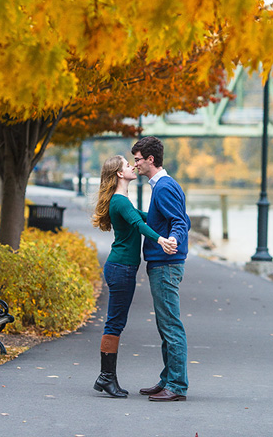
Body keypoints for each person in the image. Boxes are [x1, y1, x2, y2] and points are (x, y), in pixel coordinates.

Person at [91, 155, 177, 398]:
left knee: (116, 322)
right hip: (121, 268)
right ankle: (106, 377)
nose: (132, 167)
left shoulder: (122, 200)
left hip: (122, 267)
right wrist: (160, 239)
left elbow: (148, 217)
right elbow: (139, 225)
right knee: (115, 323)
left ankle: (106, 377)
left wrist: (175, 216)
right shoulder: (120, 201)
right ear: (119, 173)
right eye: (127, 165)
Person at [132, 135, 191, 402]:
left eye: (138, 160)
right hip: (164, 264)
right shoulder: (165, 185)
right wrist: (139, 217)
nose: (135, 166)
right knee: (165, 323)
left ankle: (176, 385)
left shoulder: (164, 187)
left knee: (170, 325)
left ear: (150, 159)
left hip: (166, 265)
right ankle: (168, 378)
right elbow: (180, 218)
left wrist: (174, 240)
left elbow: (179, 222)